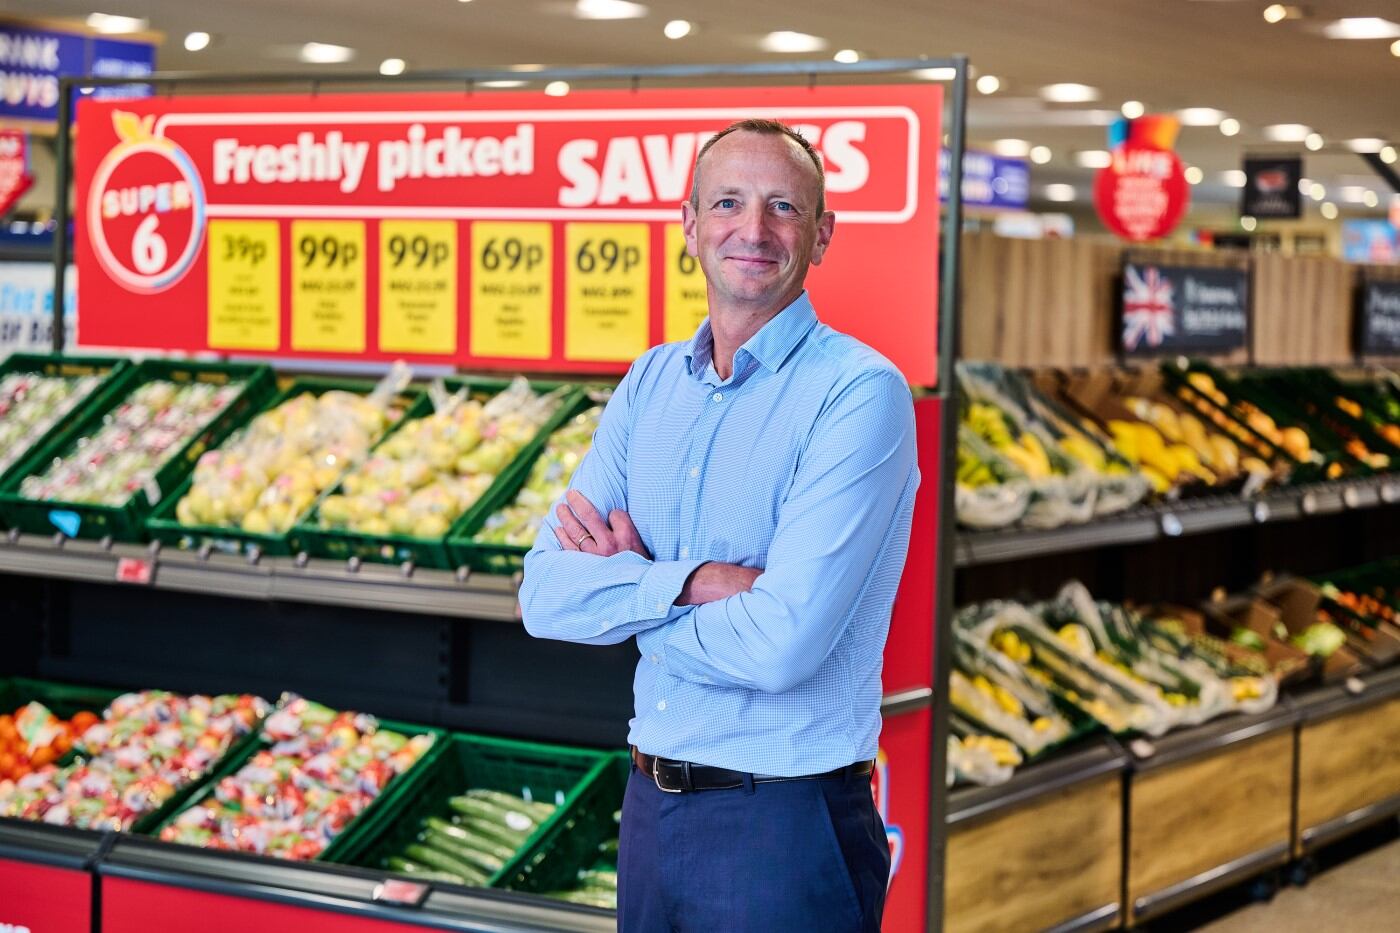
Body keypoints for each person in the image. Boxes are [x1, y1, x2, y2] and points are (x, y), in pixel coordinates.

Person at [519, 118, 919, 932]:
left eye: (783, 207)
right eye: (728, 201)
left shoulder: (859, 394)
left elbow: (782, 645)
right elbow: (545, 594)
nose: (753, 229)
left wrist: (631, 601)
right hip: (651, 808)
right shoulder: (651, 381)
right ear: (689, 224)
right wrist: (696, 583)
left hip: (784, 822)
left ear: (822, 235)